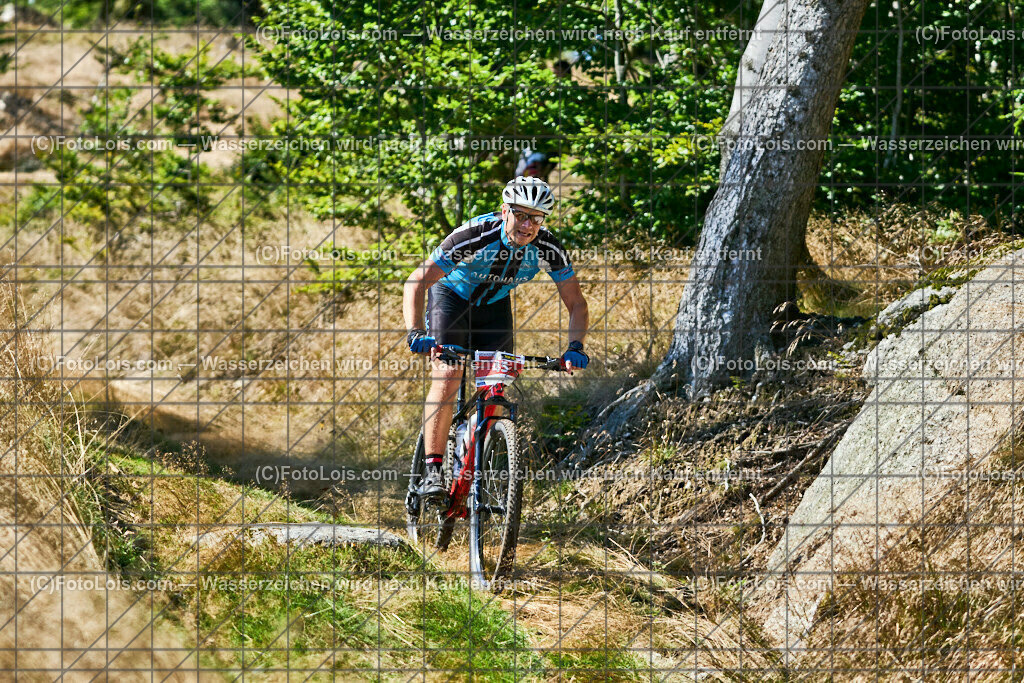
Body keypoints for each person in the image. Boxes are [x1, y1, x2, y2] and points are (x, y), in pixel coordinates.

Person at [403, 176, 590, 499]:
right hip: (451, 299)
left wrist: (575, 347)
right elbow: (417, 282)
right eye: (521, 214)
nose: (528, 225)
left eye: (537, 217)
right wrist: (416, 331)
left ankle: (475, 458)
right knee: (448, 374)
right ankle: (432, 470)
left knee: (496, 387)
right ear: (505, 211)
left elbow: (576, 303)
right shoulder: (474, 236)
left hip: (493, 308)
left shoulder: (548, 248)